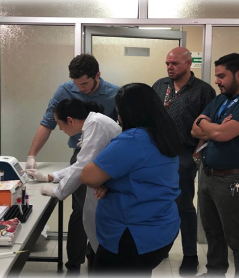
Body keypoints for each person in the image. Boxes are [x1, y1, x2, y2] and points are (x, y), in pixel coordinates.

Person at [25, 54, 119, 275]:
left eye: (85, 83)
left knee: (99, 210)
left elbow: (83, 165)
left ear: (98, 75)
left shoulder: (113, 97)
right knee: (82, 211)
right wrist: (35, 159)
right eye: (77, 84)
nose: (81, 88)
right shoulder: (67, 93)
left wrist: (58, 190)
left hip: (110, 160)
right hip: (90, 156)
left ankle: (98, 257)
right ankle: (76, 263)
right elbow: (49, 124)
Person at [80, 83, 181, 277]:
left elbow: (88, 176)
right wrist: (109, 180)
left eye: (119, 111)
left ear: (127, 112)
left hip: (131, 234)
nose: (118, 116)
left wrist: (104, 181)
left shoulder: (133, 139)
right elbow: (143, 175)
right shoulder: (165, 135)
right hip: (161, 228)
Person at [191, 53, 239, 278]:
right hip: (208, 175)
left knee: (238, 239)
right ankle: (215, 273)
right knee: (212, 233)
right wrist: (212, 126)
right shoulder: (221, 99)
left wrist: (210, 127)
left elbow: (221, 134)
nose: (217, 81)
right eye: (217, 76)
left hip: (233, 181)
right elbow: (194, 128)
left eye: (222, 76)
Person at [152, 47, 216, 276]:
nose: (170, 67)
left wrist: (196, 154)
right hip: (158, 153)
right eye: (167, 63)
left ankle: (190, 254)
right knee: (158, 203)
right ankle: (160, 248)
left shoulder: (203, 91)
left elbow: (208, 128)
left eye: (175, 63)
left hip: (185, 153)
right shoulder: (160, 86)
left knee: (183, 205)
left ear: (188, 64)